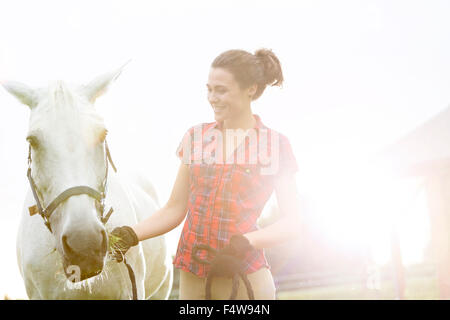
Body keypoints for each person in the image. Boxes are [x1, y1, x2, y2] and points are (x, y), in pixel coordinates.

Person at [111, 48, 301, 300]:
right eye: (209, 89)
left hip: (244, 277)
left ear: (251, 89)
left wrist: (246, 241)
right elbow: (175, 209)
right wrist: (129, 235)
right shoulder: (197, 138)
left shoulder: (273, 145)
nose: (212, 98)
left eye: (221, 90)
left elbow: (292, 222)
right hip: (193, 274)